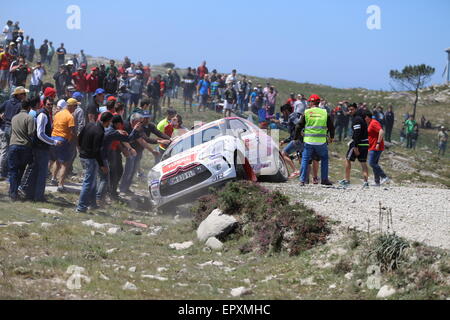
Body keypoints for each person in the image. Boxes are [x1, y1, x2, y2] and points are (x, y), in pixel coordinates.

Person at [25, 97, 62, 202]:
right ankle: (38, 197)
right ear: (44, 104)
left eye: (51, 105)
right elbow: (40, 134)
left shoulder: (46, 114)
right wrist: (53, 142)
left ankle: (31, 195)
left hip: (41, 147)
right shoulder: (42, 115)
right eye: (48, 104)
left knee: (37, 172)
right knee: (42, 173)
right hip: (40, 148)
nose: (50, 106)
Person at [76, 112, 113, 213]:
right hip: (90, 158)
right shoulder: (100, 132)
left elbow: (80, 136)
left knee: (92, 181)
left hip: (83, 156)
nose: (110, 123)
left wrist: (80, 148)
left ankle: (92, 203)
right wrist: (102, 165)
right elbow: (97, 150)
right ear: (108, 121)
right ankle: (81, 206)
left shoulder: (89, 124)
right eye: (110, 121)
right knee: (88, 182)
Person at [294, 94, 334, 186]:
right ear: (319, 102)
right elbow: (331, 127)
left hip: (309, 141)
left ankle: (302, 180)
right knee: (324, 158)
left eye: (309, 102)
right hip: (321, 142)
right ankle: (324, 180)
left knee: (305, 159)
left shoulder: (307, 112)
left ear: (311, 102)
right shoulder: (324, 112)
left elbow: (298, 126)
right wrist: (331, 137)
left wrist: (296, 138)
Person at [7, 97, 35, 201]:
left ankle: (12, 191)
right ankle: (14, 192)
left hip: (13, 145)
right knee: (20, 170)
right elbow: (31, 133)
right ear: (29, 108)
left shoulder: (14, 117)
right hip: (24, 147)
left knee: (13, 170)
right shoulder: (29, 118)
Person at [0, 86, 28, 180]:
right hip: (12, 128)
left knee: (4, 150)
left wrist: (1, 116)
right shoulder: (20, 105)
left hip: (4, 127)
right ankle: (6, 172)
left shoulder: (7, 102)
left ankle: (2, 171)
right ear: (19, 95)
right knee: (11, 151)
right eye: (23, 94)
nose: (25, 95)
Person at [339, 103, 370, 188]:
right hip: (365, 142)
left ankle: (346, 180)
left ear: (356, 109)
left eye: (352, 109)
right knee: (363, 162)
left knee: (348, 159)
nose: (350, 111)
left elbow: (357, 133)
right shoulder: (361, 118)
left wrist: (355, 146)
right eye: (349, 110)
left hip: (358, 143)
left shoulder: (356, 119)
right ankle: (366, 183)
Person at [50, 98, 77, 192]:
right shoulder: (70, 117)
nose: (76, 108)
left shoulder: (58, 114)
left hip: (53, 139)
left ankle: (53, 179)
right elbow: (72, 131)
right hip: (63, 140)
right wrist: (75, 142)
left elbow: (52, 126)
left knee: (57, 160)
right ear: (70, 106)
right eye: (75, 106)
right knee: (65, 164)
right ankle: (60, 185)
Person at [365, 110, 390, 186]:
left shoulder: (373, 123)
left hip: (376, 146)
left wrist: (378, 143)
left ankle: (384, 176)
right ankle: (377, 181)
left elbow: (381, 131)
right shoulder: (370, 123)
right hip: (372, 146)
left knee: (371, 163)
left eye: (364, 117)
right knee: (375, 163)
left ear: (367, 117)